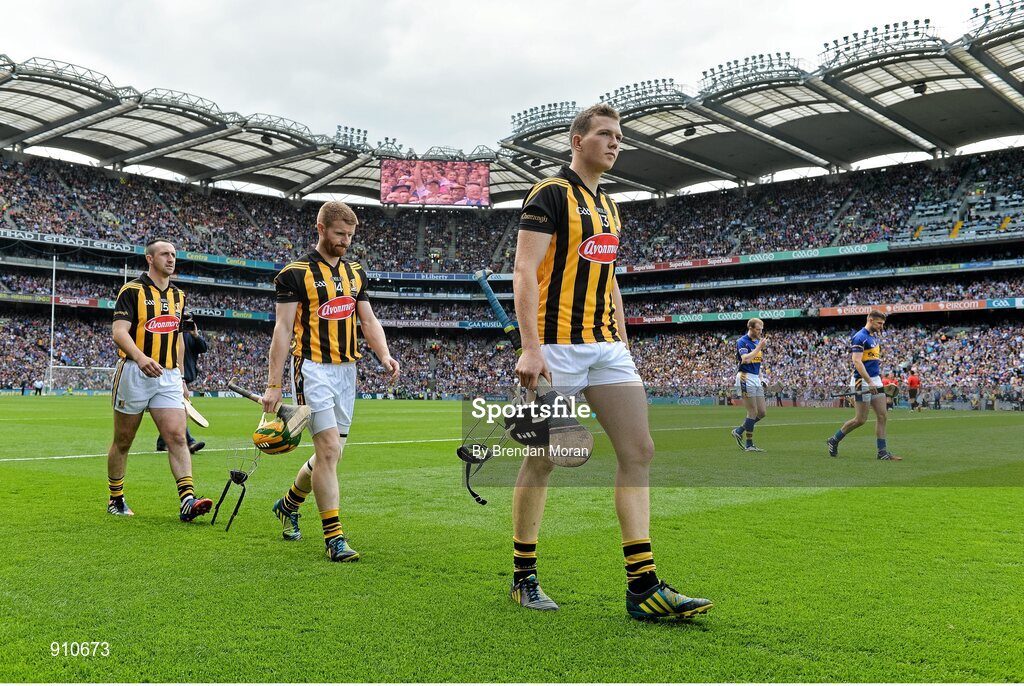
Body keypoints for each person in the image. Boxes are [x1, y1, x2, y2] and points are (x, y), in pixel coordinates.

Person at [511, 103, 712, 620]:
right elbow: (524, 270)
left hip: (607, 348)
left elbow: (608, 275)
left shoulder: (611, 206)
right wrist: (531, 347)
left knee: (639, 449)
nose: (615, 143)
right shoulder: (549, 194)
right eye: (604, 134)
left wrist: (622, 338)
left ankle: (643, 586)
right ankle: (523, 576)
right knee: (546, 458)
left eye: (619, 136)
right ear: (577, 141)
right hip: (556, 346)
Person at [262, 201, 400, 562]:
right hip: (311, 368)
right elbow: (281, 329)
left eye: (351, 235)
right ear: (321, 229)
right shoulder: (294, 273)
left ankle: (289, 504)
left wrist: (383, 354)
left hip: (346, 370)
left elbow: (368, 321)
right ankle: (334, 538)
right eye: (340, 234)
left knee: (332, 455)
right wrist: (273, 384)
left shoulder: (355, 273)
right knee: (326, 451)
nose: (346, 241)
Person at [106, 238, 214, 520]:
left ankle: (188, 500)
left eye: (174, 254)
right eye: (165, 254)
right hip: (134, 371)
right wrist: (141, 358)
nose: (171, 258)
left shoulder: (179, 296)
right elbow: (119, 331)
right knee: (124, 439)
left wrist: (180, 376)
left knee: (177, 436)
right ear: (150, 259)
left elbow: (178, 337)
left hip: (168, 376)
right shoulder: (132, 290)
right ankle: (116, 499)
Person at [826, 311, 902, 461]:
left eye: (883, 324)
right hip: (862, 381)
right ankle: (834, 440)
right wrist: (870, 381)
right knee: (860, 420)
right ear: (871, 320)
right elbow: (857, 362)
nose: (881, 327)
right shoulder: (859, 337)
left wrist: (876, 380)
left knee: (882, 415)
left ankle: (882, 452)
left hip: (875, 379)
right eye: (879, 323)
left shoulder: (873, 338)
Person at [155, 311, 206, 454]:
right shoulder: (171, 334)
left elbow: (203, 348)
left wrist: (195, 334)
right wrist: (180, 379)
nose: (186, 323)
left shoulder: (191, 336)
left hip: (184, 376)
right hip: (173, 376)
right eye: (184, 320)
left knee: (172, 409)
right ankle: (189, 442)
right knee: (178, 410)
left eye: (189, 320)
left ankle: (162, 442)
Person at [730, 318, 767, 452]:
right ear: (750, 328)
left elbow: (757, 363)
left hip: (755, 378)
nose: (760, 332)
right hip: (745, 377)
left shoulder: (757, 342)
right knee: (752, 411)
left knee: (762, 412)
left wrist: (762, 379)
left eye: (761, 329)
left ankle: (739, 430)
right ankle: (749, 444)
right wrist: (759, 347)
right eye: (758, 329)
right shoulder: (742, 341)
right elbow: (745, 359)